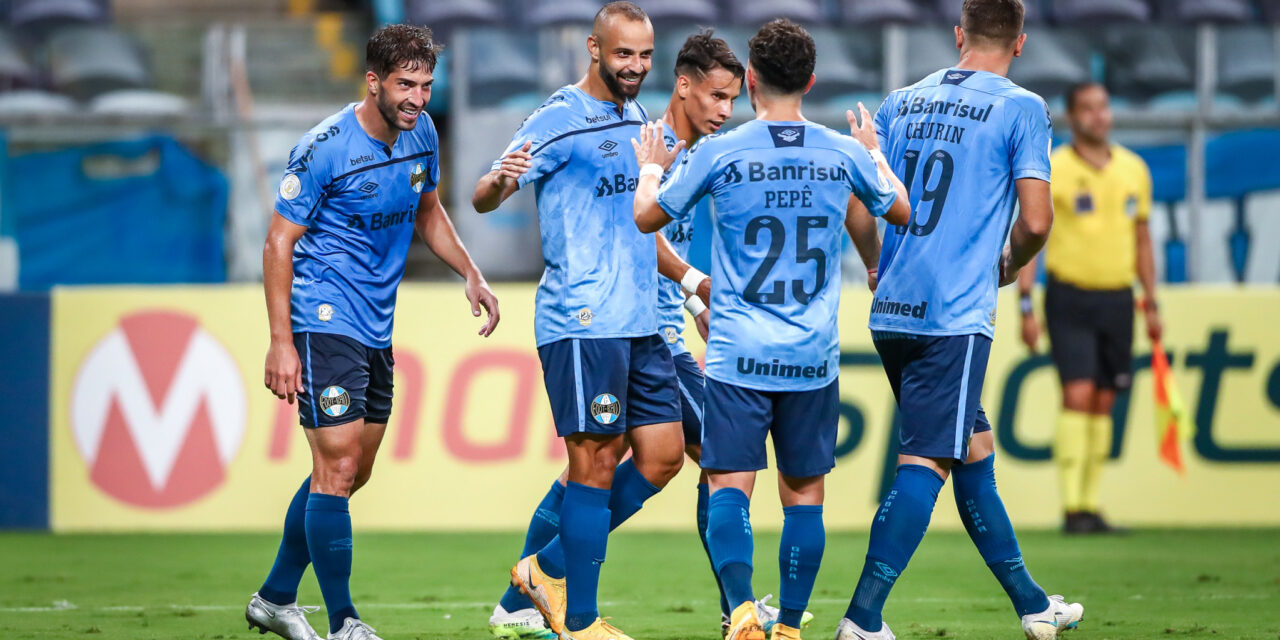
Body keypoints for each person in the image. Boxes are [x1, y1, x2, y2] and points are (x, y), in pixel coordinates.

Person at [634, 18, 910, 640]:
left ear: (750, 80)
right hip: (812, 357)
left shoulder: (719, 151)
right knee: (803, 495)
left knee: (728, 483)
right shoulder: (840, 153)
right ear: (810, 81)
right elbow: (902, 211)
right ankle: (787, 625)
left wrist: (651, 167)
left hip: (738, 353)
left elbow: (647, 216)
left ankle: (739, 615)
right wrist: (872, 151)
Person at [834, 1, 1084, 639]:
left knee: (972, 452)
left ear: (958, 35)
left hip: (893, 309)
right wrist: (1008, 263)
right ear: (1021, 43)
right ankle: (862, 620)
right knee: (926, 464)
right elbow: (1036, 221)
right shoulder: (1021, 109)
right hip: (954, 313)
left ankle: (1032, 605)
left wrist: (873, 265)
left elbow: (861, 207)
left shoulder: (899, 102)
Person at [484, 28, 744, 640]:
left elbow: (649, 241)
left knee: (648, 458)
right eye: (718, 97)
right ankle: (733, 607)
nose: (726, 113)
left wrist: (686, 296)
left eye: (734, 101)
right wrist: (690, 287)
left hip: (649, 327)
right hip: (602, 321)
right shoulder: (640, 140)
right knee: (643, 459)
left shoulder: (652, 133)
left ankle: (532, 585)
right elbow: (637, 237)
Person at [248, 24, 500, 640]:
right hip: (322, 315)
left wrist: (470, 271)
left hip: (374, 325)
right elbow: (279, 241)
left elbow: (428, 208)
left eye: (426, 85)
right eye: (405, 85)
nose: (417, 98)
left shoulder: (423, 134)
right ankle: (345, 623)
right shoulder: (324, 147)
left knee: (350, 471)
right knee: (335, 467)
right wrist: (281, 341)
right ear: (373, 81)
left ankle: (276, 598)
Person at [1018, 81, 1161, 535]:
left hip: (1118, 298)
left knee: (1104, 399)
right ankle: (1072, 506)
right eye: (1089, 109)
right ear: (1073, 116)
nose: (1100, 116)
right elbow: (1032, 237)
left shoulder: (1134, 170)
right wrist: (1025, 301)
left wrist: (1151, 301)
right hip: (1070, 296)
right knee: (1077, 393)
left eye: (1104, 106)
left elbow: (1142, 240)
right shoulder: (1054, 168)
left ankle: (1091, 504)